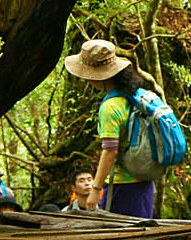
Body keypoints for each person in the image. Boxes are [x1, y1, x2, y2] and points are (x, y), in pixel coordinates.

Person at [63, 39, 155, 218]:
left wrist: (96, 189)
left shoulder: (111, 106)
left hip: (122, 186)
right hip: (145, 181)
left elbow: (110, 151)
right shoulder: (139, 96)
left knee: (122, 239)